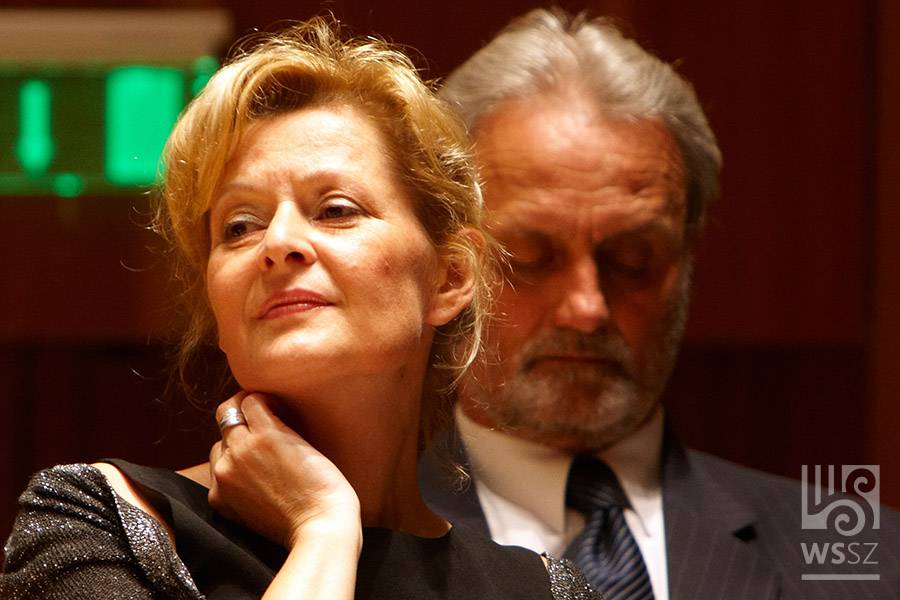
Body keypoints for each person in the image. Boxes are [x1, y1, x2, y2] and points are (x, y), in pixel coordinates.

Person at [0, 18, 599, 599]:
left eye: (336, 210)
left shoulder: (544, 592)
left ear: (450, 278)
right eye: (239, 226)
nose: (278, 242)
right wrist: (324, 529)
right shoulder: (98, 525)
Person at [418, 8, 900, 600]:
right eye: (529, 258)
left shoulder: (868, 557)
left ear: (688, 258)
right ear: (450, 269)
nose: (587, 308)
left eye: (632, 259)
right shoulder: (349, 547)